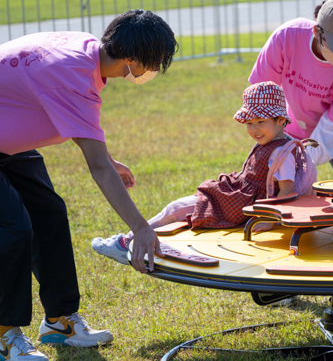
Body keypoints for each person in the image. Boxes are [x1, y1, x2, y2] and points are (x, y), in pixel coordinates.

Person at [0, 9, 179, 361]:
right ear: (134, 60)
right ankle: (6, 338)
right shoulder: (72, 75)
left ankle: (60, 321)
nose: (148, 71)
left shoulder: (87, 52)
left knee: (50, 215)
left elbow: (80, 132)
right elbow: (97, 168)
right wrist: (141, 227)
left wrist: (109, 157)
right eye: (152, 63)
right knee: (11, 231)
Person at [91, 82, 317, 264]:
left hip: (240, 206)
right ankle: (132, 238)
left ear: (280, 120)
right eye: (249, 123)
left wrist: (269, 221)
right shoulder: (274, 141)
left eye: (261, 121)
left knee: (176, 209)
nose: (254, 129)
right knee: (176, 209)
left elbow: (287, 192)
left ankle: (127, 242)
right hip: (237, 197)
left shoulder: (282, 152)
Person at [249, 0, 333, 180]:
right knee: (268, 190)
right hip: (287, 128)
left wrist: (303, 160)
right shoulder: (287, 37)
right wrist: (273, 144)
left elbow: (332, 129)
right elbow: (260, 96)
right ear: (317, 32)